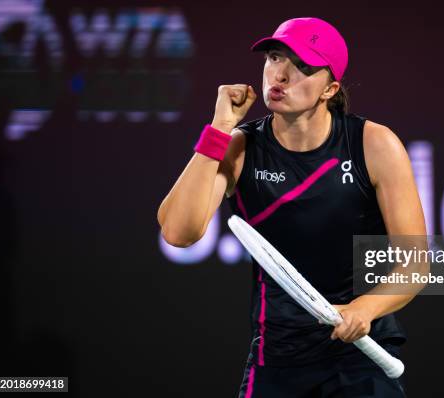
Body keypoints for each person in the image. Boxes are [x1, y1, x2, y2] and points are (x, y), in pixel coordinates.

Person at [157, 17, 426, 398]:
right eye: (275, 57)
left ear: (330, 88)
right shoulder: (239, 147)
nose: (280, 74)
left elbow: (414, 263)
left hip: (361, 357)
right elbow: (178, 233)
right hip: (276, 359)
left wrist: (364, 309)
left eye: (301, 66)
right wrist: (218, 130)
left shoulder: (374, 144)